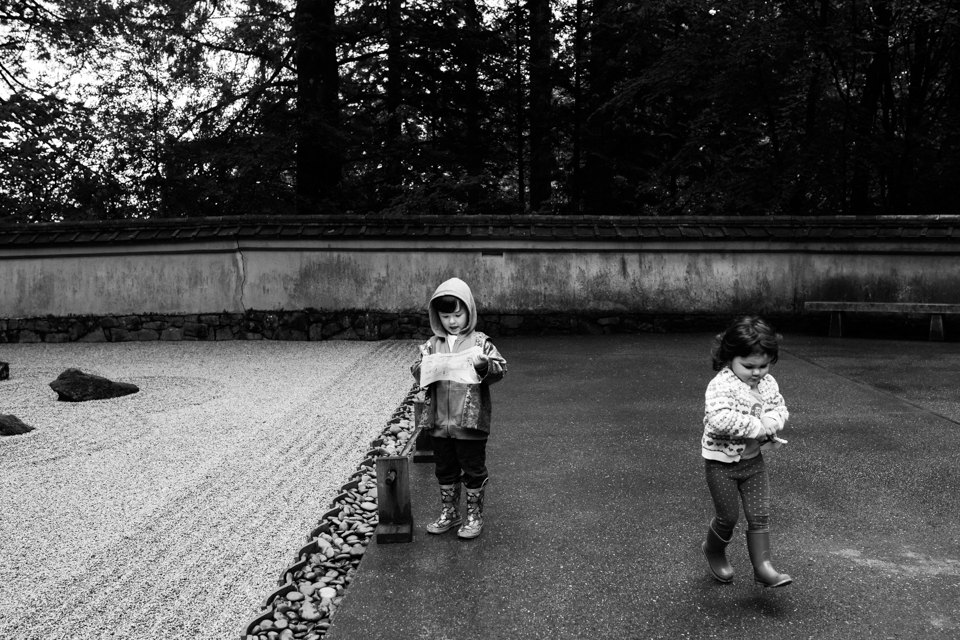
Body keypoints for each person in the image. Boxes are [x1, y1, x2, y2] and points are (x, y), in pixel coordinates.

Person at [700, 315, 792, 588]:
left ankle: (763, 568)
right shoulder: (722, 385)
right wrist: (756, 426)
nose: (757, 372)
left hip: (753, 462)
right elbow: (719, 419)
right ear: (730, 358)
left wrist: (773, 421)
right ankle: (713, 549)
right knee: (728, 518)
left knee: (759, 514)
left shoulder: (768, 384)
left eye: (764, 365)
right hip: (722, 464)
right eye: (749, 366)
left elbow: (780, 408)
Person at [411, 277, 506, 539]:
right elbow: (417, 373)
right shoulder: (431, 345)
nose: (452, 321)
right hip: (440, 422)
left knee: (473, 469)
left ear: (469, 312)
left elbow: (500, 369)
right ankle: (450, 513)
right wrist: (424, 368)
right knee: (444, 468)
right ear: (436, 316)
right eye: (445, 316)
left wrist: (483, 364)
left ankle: (474, 516)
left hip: (471, 423)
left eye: (457, 314)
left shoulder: (480, 342)